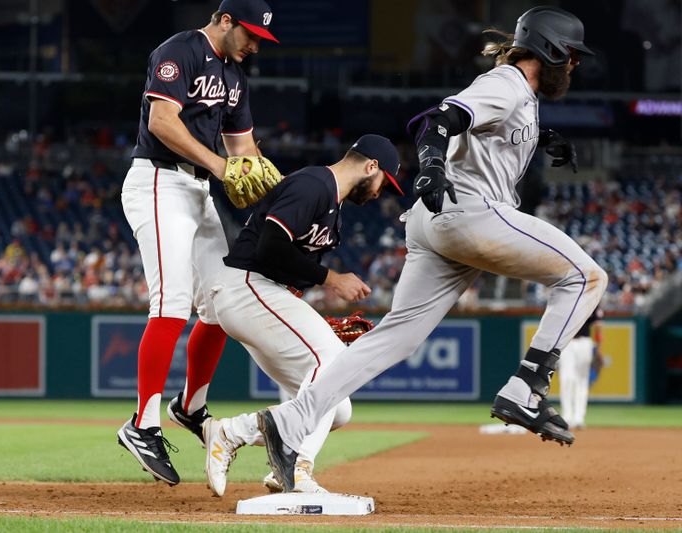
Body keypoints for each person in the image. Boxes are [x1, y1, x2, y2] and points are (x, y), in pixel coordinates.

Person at [251, 6, 609, 492]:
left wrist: (543, 138)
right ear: (549, 50)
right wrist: (431, 165)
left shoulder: (517, 94)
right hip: (469, 214)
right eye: (570, 55)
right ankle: (525, 387)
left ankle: (293, 422)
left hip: (432, 223)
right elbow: (438, 120)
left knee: (396, 337)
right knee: (586, 277)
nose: (574, 65)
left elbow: (487, 129)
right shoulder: (507, 82)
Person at [116, 0, 279, 486]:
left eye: (259, 39)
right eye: (248, 34)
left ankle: (190, 406)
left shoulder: (235, 76)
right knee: (172, 302)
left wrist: (282, 198)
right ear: (224, 20)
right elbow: (162, 122)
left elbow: (244, 151)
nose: (253, 45)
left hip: (197, 190)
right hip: (158, 182)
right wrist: (218, 166)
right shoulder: (180, 51)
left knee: (222, 303)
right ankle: (142, 424)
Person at [202, 135, 403, 496]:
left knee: (336, 405)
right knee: (333, 365)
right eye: (383, 182)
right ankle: (275, 457)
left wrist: (317, 323)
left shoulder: (333, 209)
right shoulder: (315, 184)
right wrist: (332, 278)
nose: (380, 193)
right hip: (245, 284)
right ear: (371, 166)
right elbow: (270, 246)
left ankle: (270, 459)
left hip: (264, 295)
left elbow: (290, 271)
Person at [559, 307, 604, 429]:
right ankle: (567, 416)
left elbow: (598, 324)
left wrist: (598, 346)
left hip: (584, 341)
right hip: (567, 341)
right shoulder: (565, 295)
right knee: (567, 379)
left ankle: (579, 417)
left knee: (582, 380)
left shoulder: (592, 297)